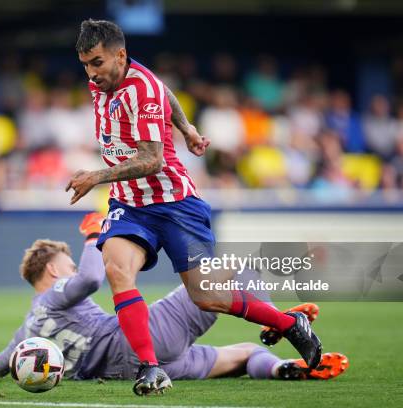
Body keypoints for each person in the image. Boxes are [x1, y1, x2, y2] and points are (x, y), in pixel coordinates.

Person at [65, 19, 322, 395]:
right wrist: (186, 128)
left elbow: (152, 160)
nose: (91, 73)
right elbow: (168, 92)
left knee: (205, 296)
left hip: (176, 205)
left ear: (120, 54)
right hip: (131, 205)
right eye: (86, 64)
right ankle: (150, 368)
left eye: (98, 63)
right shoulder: (109, 80)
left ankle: (289, 323)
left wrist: (96, 175)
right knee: (118, 270)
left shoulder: (142, 89)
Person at [0, 214, 348, 384]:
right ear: (52, 271)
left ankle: (282, 368)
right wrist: (93, 236)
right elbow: (88, 278)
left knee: (246, 353)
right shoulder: (52, 296)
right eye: (65, 264)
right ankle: (274, 320)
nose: (69, 269)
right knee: (233, 267)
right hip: (138, 339)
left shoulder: (24, 338)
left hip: (124, 372)